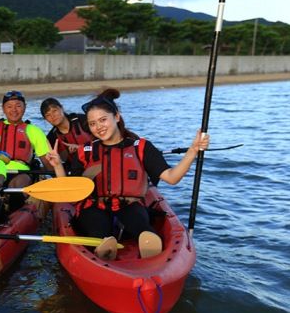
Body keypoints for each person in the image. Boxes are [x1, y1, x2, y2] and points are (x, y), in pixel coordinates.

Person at [46, 87, 210, 260]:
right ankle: (104, 249)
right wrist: (58, 165)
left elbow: (172, 177)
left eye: (103, 120)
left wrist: (193, 151)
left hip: (129, 205)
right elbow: (71, 191)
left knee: (141, 226)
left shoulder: (141, 147)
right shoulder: (86, 151)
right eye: (93, 124)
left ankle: (147, 251)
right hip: (94, 207)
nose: (98, 127)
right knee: (96, 228)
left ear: (116, 117)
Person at [40, 97, 92, 174]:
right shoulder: (51, 138)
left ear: (62, 108)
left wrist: (81, 148)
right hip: (75, 171)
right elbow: (55, 163)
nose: (52, 116)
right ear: (45, 119)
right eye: (48, 115)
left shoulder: (82, 120)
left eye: (54, 111)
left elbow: (104, 143)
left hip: (96, 163)